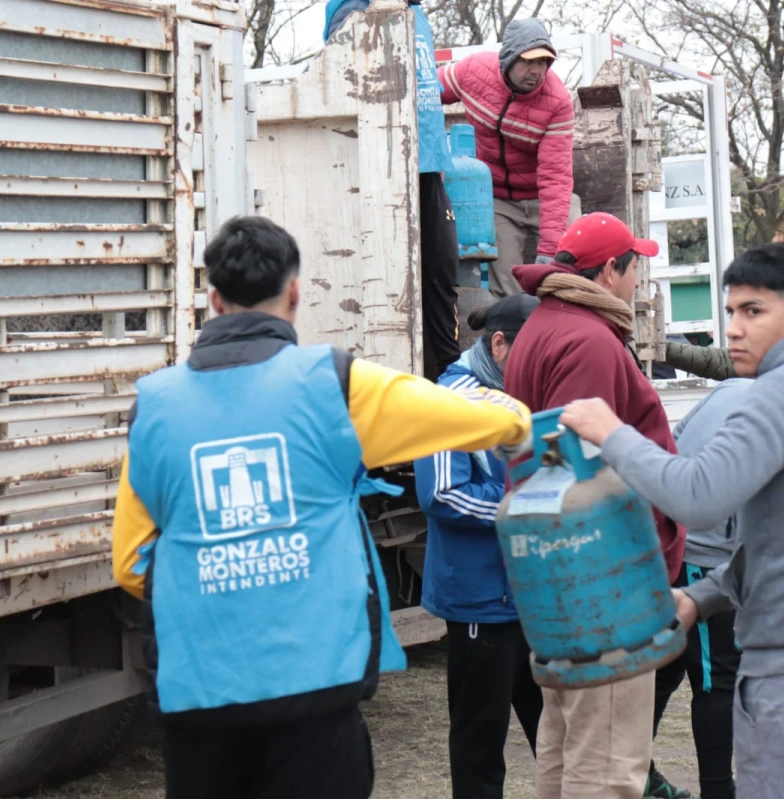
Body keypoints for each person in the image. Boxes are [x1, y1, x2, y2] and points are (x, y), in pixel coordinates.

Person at [111, 216, 534, 799]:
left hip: (200, 694)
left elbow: (131, 563)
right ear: (294, 292)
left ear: (212, 300)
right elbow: (464, 413)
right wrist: (519, 426)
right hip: (313, 684)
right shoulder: (335, 385)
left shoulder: (153, 406)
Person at [560, 241, 784, 799]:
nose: (733, 328)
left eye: (753, 311)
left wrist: (611, 432)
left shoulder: (783, 390)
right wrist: (704, 597)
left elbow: (700, 496)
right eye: (730, 311)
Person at [504, 212, 680, 799]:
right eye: (635, 267)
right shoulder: (588, 339)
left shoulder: (543, 326)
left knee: (566, 747)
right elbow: (588, 473)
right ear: (610, 271)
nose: (637, 282)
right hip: (603, 583)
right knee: (606, 764)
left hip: (562, 579)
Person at [414, 294, 543, 799]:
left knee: (555, 734)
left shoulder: (519, 390)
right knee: (480, 747)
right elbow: (442, 494)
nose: (541, 364)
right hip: (479, 600)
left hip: (528, 596)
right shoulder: (451, 401)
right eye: (532, 351)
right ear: (498, 344)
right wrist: (522, 505)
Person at [324, 0, 459, 380]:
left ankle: (450, 374)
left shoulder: (416, 12)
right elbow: (342, 64)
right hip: (385, 162)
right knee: (389, 277)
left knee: (441, 266)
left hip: (428, 161)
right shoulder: (351, 8)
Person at [651, 378, 753, 799]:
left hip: (680, 543)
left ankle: (626, 764)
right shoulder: (776, 406)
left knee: (667, 665)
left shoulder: (729, 388)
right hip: (706, 553)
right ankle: (717, 789)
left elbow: (670, 442)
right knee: (715, 677)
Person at [439, 18, 580, 297]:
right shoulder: (473, 72)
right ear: (509, 57)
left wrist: (549, 252)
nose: (536, 71)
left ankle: (568, 320)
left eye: (543, 63)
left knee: (570, 258)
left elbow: (555, 178)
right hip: (497, 198)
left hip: (542, 197)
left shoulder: (558, 103)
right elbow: (430, 92)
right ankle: (516, 334)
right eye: (529, 62)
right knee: (505, 283)